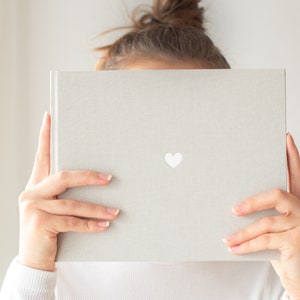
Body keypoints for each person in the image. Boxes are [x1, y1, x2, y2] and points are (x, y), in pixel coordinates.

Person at [1, 0, 300, 299]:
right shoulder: (54, 268)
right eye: (142, 128)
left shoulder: (275, 266)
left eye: (192, 125)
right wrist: (32, 271)